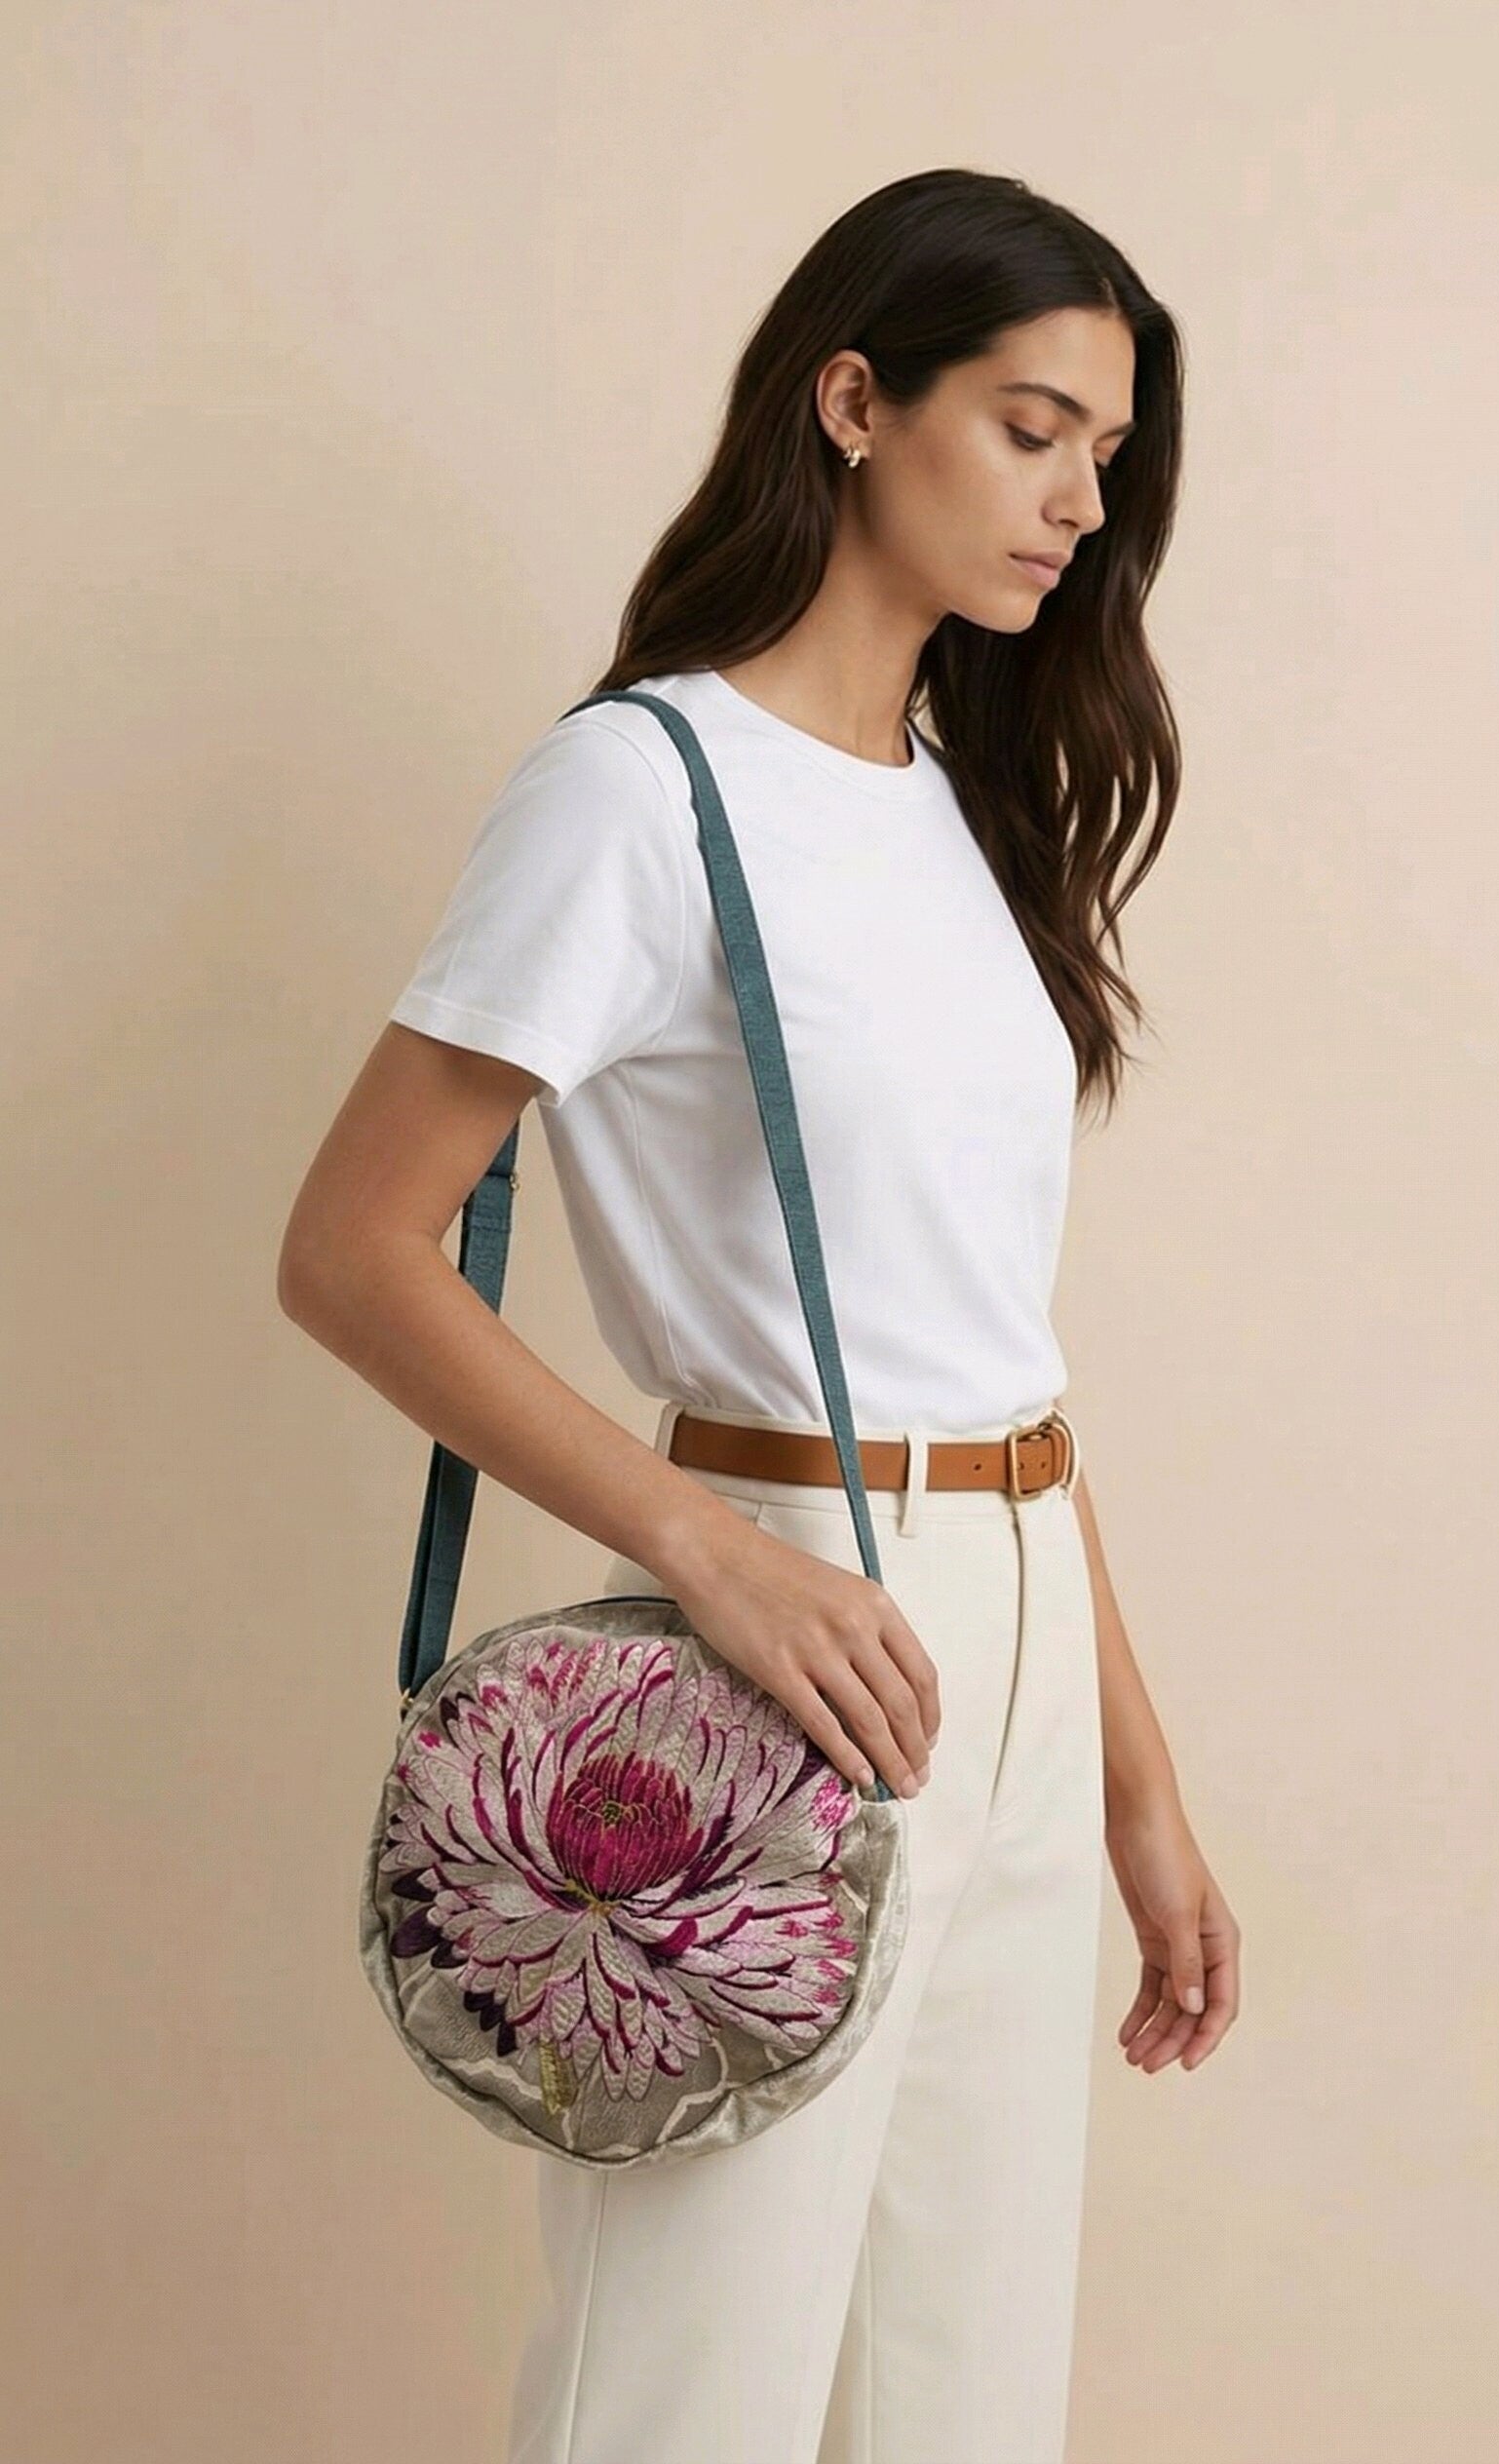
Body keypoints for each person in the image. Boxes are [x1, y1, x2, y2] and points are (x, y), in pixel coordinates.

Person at [278, 164, 1241, 2464]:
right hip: (781, 1626)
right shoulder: (640, 791)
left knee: (963, 2407)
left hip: (1017, 1633)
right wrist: (708, 1555)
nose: (1079, 504)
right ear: (851, 401)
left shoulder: (955, 805)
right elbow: (352, 1246)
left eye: (1105, 455)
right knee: (679, 2395)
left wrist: (1130, 1780)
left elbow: (994, 1350)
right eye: (1029, 431)